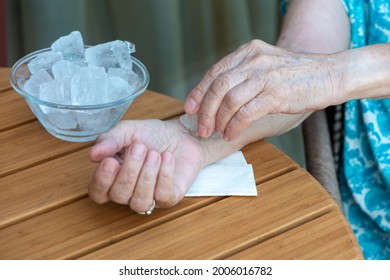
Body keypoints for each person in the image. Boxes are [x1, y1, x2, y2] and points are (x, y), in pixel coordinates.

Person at [88, 0, 390, 259]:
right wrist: (192, 139)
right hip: (362, 226)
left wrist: (330, 75)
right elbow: (302, 60)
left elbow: (316, 71)